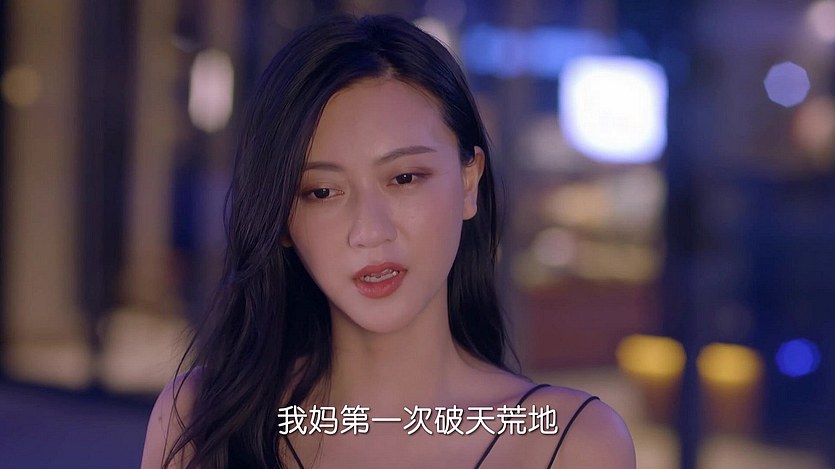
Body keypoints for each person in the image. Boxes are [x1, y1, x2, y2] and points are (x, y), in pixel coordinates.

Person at [141, 14, 635, 469]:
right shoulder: (200, 419)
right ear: (283, 219)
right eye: (322, 192)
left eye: (404, 178)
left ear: (469, 182)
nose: (370, 231)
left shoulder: (570, 444)